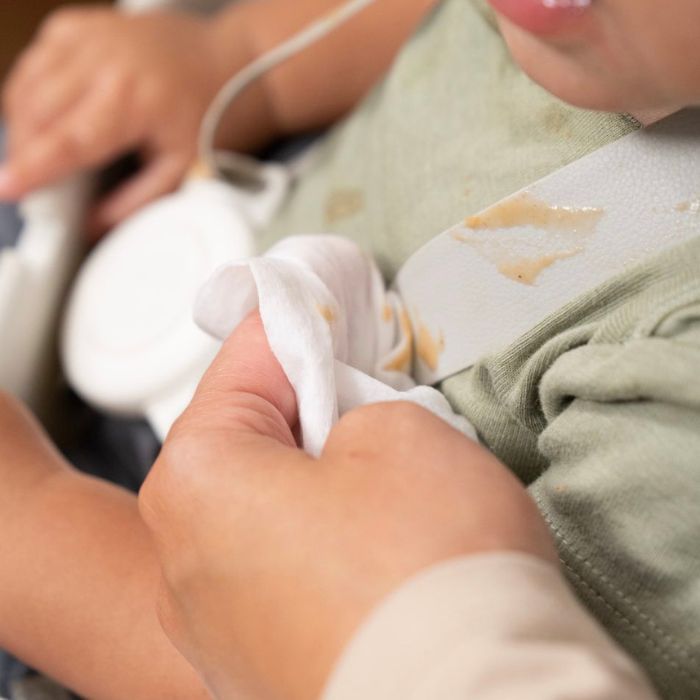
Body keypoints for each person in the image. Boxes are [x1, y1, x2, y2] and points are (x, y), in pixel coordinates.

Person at [1, 0, 699, 698]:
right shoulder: (583, 21)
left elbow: (320, 657)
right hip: (248, 194)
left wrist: (31, 525)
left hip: (197, 589)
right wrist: (238, 58)